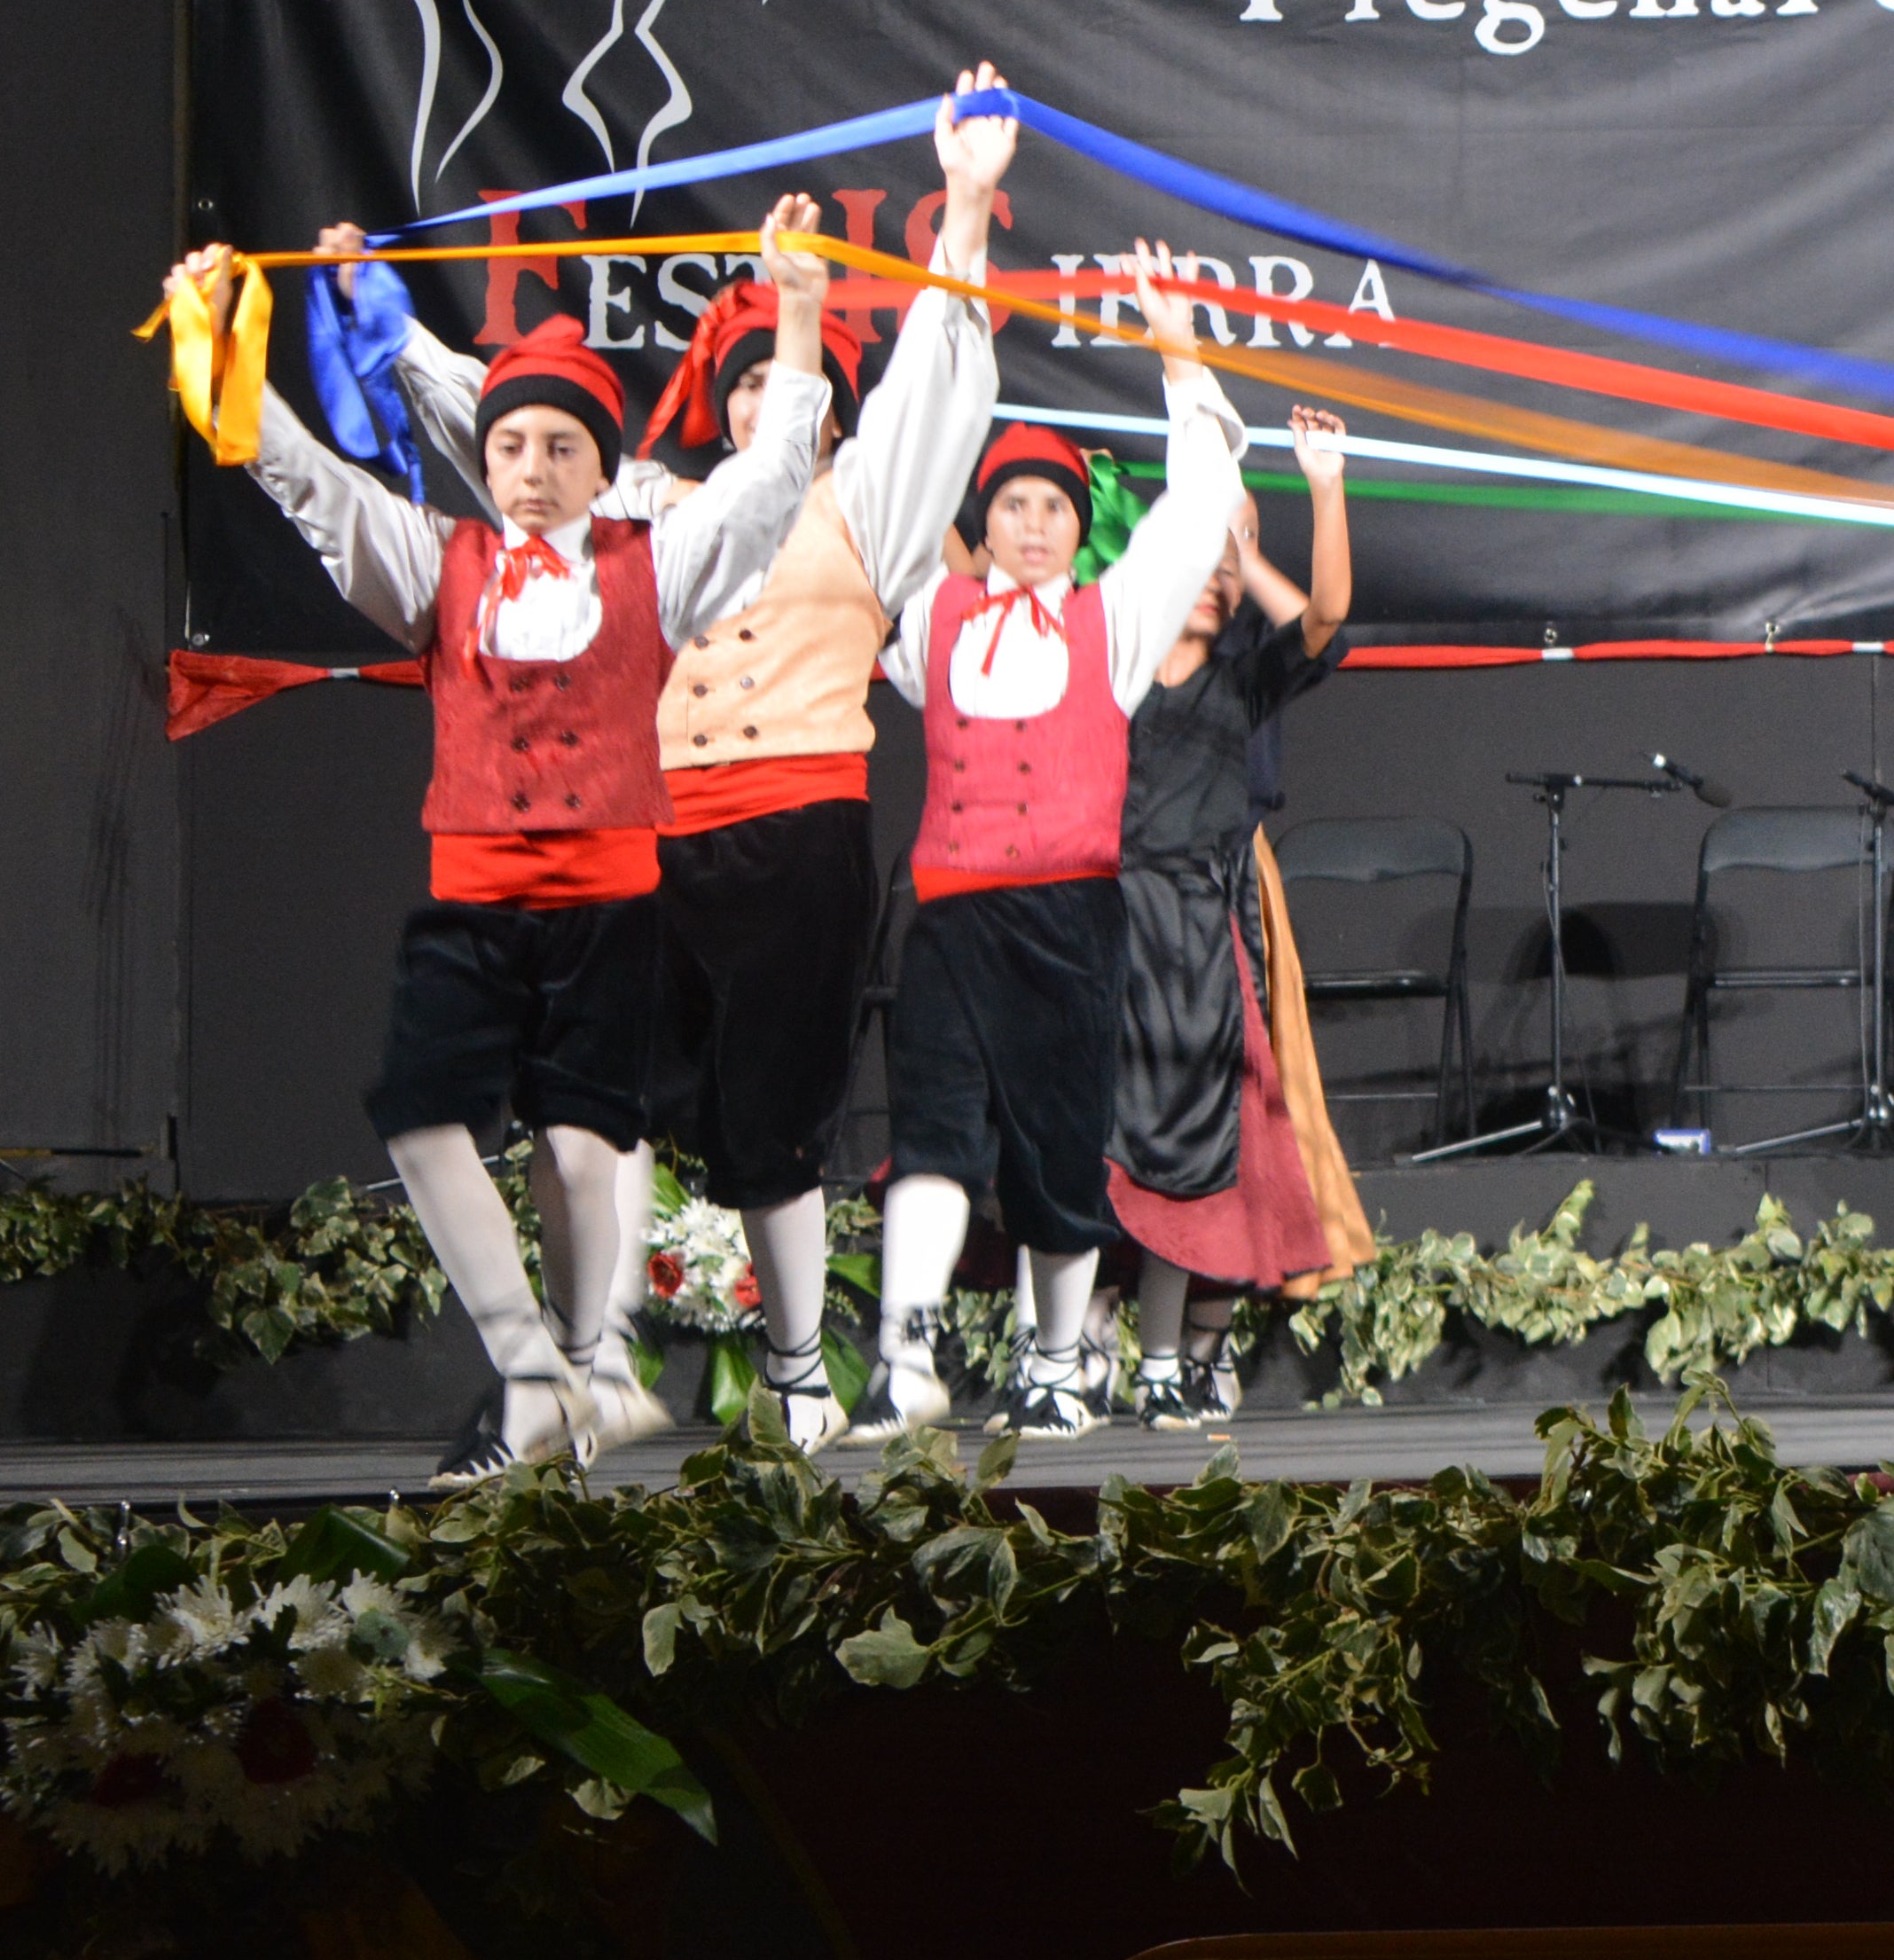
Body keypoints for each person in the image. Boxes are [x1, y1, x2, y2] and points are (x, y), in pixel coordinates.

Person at [340, 75, 1014, 1454]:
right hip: (650, 841)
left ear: (823, 400)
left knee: (775, 1124)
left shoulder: (861, 502)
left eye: (793, 378)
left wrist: (959, 202)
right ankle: (588, 1368)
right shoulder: (644, 515)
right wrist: (382, 319)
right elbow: (505, 425)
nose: (774, 395)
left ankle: (793, 1369)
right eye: (750, 374)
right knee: (606, 1106)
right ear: (718, 392)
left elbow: (943, 367)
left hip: (798, 831)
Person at [173, 200, 839, 1479]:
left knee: (581, 1155)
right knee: (424, 1121)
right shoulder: (438, 562)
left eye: (559, 448)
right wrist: (220, 345)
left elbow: (766, 485)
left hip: (607, 902)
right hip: (475, 896)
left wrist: (798, 309)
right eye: (512, 445)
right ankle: (534, 1379)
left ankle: (575, 1374)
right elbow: (309, 483)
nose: (532, 468)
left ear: (603, 469)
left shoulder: (660, 562)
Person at [870, 250, 1249, 1437]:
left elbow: (1197, 503)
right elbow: (900, 456)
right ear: (979, 523)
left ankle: (1052, 1362)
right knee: (932, 1132)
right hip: (950, 915)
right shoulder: (929, 615)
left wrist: (1176, 347)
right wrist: (961, 260)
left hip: (1072, 915)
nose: (1030, 523)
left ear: (1077, 529)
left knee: (1057, 1150)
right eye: (1010, 505)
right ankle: (906, 1359)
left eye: (1051, 507)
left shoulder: (1114, 622)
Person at [1104, 407, 1360, 1425]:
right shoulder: (1111, 668)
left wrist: (1294, 510)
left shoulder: (1240, 681)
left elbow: (1327, 618)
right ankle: (1079, 1346)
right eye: (1197, 552)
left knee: (1221, 1145)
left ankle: (1186, 1350)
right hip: (1111, 930)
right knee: (1100, 1145)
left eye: (1231, 555)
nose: (1214, 571)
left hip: (1205, 935)